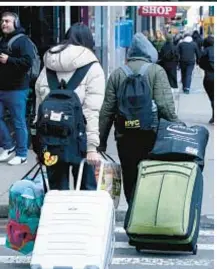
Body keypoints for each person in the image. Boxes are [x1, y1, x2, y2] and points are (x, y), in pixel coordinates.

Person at [98, 33, 179, 205]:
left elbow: (107, 111)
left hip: (124, 135)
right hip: (151, 134)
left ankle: (132, 212)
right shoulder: (156, 71)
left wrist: (101, 141)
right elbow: (165, 106)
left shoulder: (117, 74)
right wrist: (177, 129)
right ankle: (147, 213)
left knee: (130, 174)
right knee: (150, 174)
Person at [35, 23, 105, 190]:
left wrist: (39, 146)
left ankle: (58, 217)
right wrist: (92, 147)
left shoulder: (48, 65)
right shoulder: (93, 68)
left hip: (51, 139)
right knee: (86, 190)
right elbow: (91, 111)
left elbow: (39, 108)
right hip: (80, 140)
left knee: (57, 191)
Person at [0, 11, 34, 165]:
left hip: (17, 89)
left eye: (7, 21)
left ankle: (22, 154)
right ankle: (8, 145)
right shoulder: (2, 40)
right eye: (2, 21)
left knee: (18, 121)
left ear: (16, 23)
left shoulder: (23, 41)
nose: (4, 24)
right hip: (2, 87)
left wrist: (9, 60)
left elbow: (27, 62)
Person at [199, 35, 214, 124]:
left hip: (209, 78)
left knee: (212, 98)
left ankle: (214, 116)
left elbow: (200, 64)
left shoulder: (205, 52)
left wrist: (207, 68)